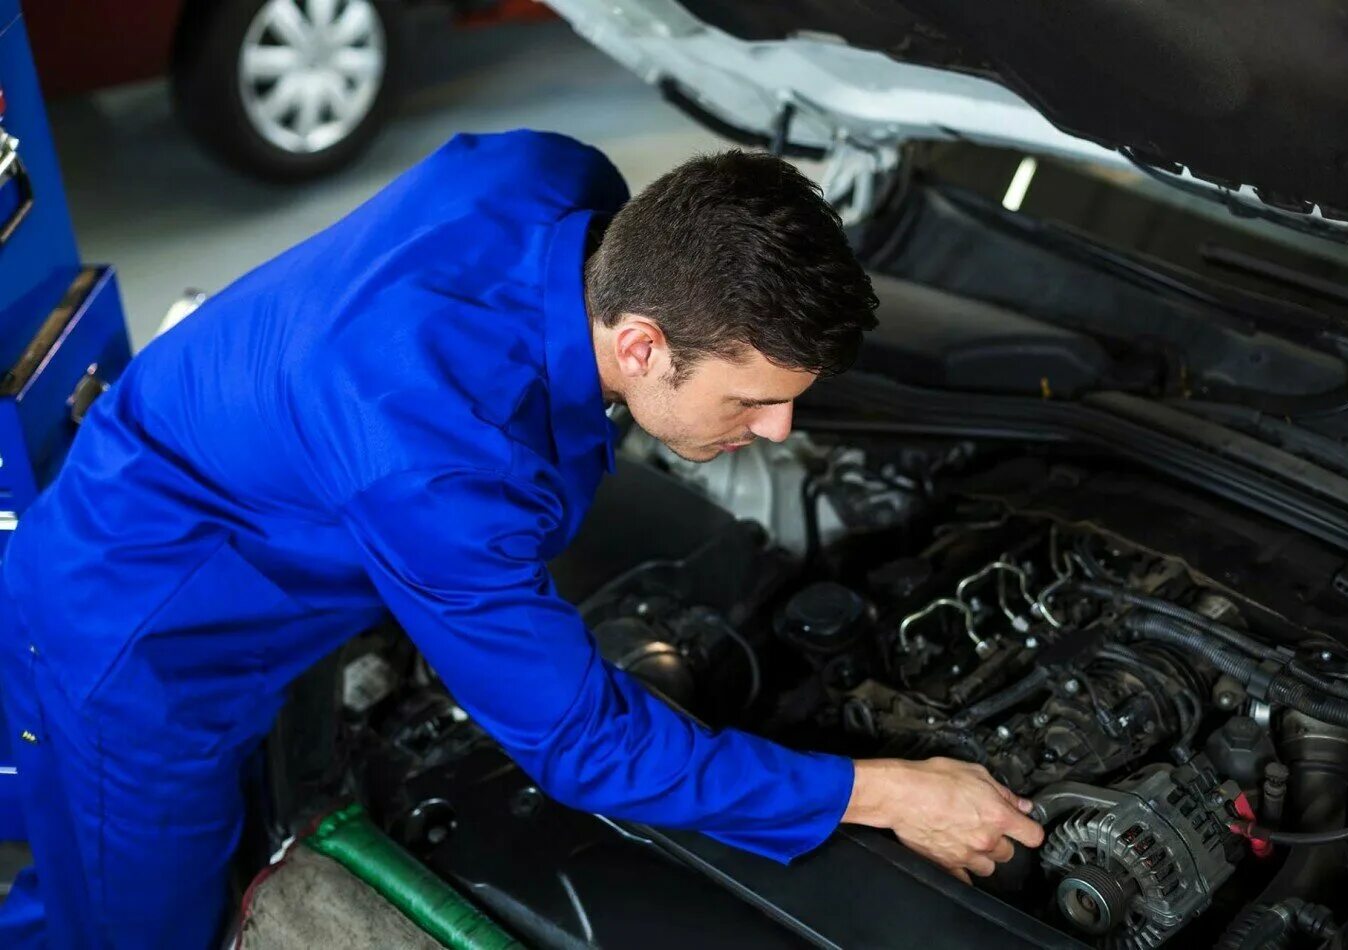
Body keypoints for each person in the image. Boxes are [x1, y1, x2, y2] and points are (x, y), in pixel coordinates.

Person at [0, 130, 1043, 948]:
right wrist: (887, 789)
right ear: (642, 343)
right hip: (138, 653)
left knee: (88, 871)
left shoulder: (556, 179)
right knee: (134, 927)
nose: (779, 430)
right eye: (757, 398)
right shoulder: (437, 460)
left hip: (209, 508)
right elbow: (584, 746)